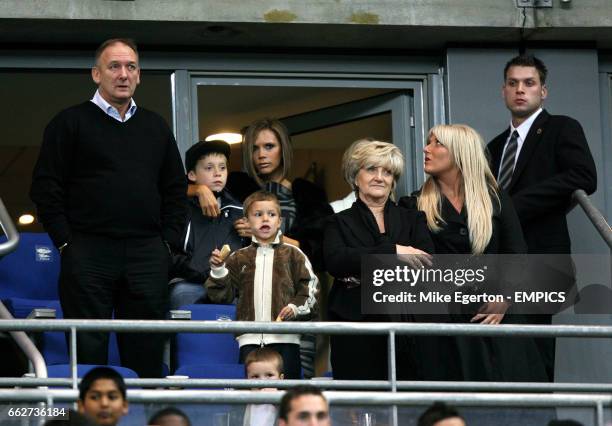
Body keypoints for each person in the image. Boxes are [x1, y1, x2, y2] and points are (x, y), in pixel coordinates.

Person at [30, 38, 187, 378]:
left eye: (131, 67)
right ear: (96, 74)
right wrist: (66, 243)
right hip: (87, 250)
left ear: (139, 75)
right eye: (114, 66)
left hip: (147, 253)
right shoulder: (69, 123)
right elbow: (46, 188)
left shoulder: (155, 126)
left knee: (145, 355)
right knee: (88, 352)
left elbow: (175, 190)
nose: (123, 74)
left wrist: (167, 244)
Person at [401, 124, 547, 382]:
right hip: (443, 324)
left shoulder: (495, 199)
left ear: (460, 153)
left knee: (509, 402)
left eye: (437, 143)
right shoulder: (413, 204)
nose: (426, 149)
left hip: (496, 319)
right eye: (428, 142)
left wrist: (505, 297)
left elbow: (516, 254)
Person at [191, 118, 333, 378]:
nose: (261, 155)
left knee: (295, 377)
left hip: (292, 299)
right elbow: (173, 192)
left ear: (284, 150)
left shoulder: (306, 194)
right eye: (255, 149)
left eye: (269, 146)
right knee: (254, 377)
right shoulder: (235, 187)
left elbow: (322, 250)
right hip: (250, 300)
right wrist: (198, 188)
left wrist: (274, 237)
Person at [487, 54, 597, 381]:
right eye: (513, 83)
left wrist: (513, 206)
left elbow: (583, 176)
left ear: (543, 92)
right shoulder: (493, 147)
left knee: (535, 358)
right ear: (503, 91)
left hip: (541, 259)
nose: (521, 90)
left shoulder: (561, 127)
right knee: (502, 359)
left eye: (529, 83)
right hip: (500, 265)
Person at [323, 139, 434, 380]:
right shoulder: (338, 221)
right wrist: (394, 251)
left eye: (387, 172)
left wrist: (362, 267)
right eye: (371, 169)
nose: (379, 177)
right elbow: (337, 261)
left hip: (407, 327)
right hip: (355, 330)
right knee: (361, 407)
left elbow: (425, 265)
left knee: (408, 408)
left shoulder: (413, 219)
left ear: (393, 181)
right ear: (355, 177)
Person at [206, 190, 318, 379]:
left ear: (279, 221)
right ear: (247, 222)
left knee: (286, 396)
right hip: (249, 340)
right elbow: (221, 296)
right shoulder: (237, 257)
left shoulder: (294, 255)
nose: (265, 219)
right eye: (258, 215)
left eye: (271, 214)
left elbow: (310, 291)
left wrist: (295, 308)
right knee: (251, 395)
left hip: (286, 338)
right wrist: (218, 270)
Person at [169, 139, 244, 309]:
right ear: (192, 175)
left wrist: (251, 233)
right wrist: (203, 271)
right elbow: (170, 252)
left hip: (230, 286)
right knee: (182, 295)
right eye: (209, 168)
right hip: (189, 283)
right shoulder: (180, 208)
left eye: (222, 167)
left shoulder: (238, 209)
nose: (217, 173)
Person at [242, 347, 284, 426]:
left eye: (269, 375)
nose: (262, 381)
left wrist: (277, 402)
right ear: (247, 379)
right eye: (255, 376)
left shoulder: (285, 398)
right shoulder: (243, 400)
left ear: (280, 378)